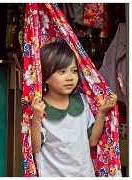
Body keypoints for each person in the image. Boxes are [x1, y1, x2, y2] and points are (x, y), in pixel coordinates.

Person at [31, 42, 117, 177]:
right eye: (62, 72)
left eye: (74, 71)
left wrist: (101, 113)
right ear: (46, 77)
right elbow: (35, 147)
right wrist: (36, 118)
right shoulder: (39, 107)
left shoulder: (83, 100)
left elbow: (92, 141)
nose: (70, 77)